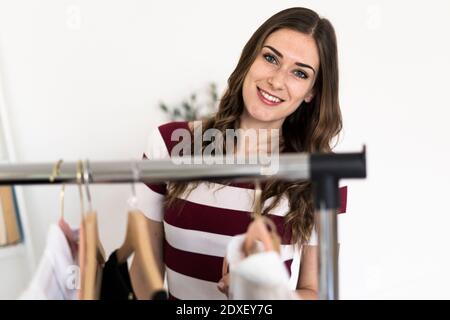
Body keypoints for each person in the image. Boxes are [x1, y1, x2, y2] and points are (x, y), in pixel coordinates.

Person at [130, 7, 347, 300]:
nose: (277, 80)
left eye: (299, 73)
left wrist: (263, 295)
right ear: (250, 59)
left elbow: (317, 291)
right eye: (270, 58)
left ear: (311, 92)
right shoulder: (169, 145)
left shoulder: (320, 174)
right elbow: (146, 270)